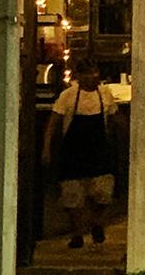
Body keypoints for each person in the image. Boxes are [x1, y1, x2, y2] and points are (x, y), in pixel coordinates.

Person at [43, 60, 119, 249]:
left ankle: (96, 222)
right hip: (73, 151)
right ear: (79, 77)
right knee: (72, 195)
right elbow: (53, 123)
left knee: (103, 192)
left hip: (98, 149)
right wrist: (46, 148)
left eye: (95, 74)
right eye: (88, 75)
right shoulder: (68, 96)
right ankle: (77, 233)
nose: (93, 78)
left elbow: (115, 118)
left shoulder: (105, 95)